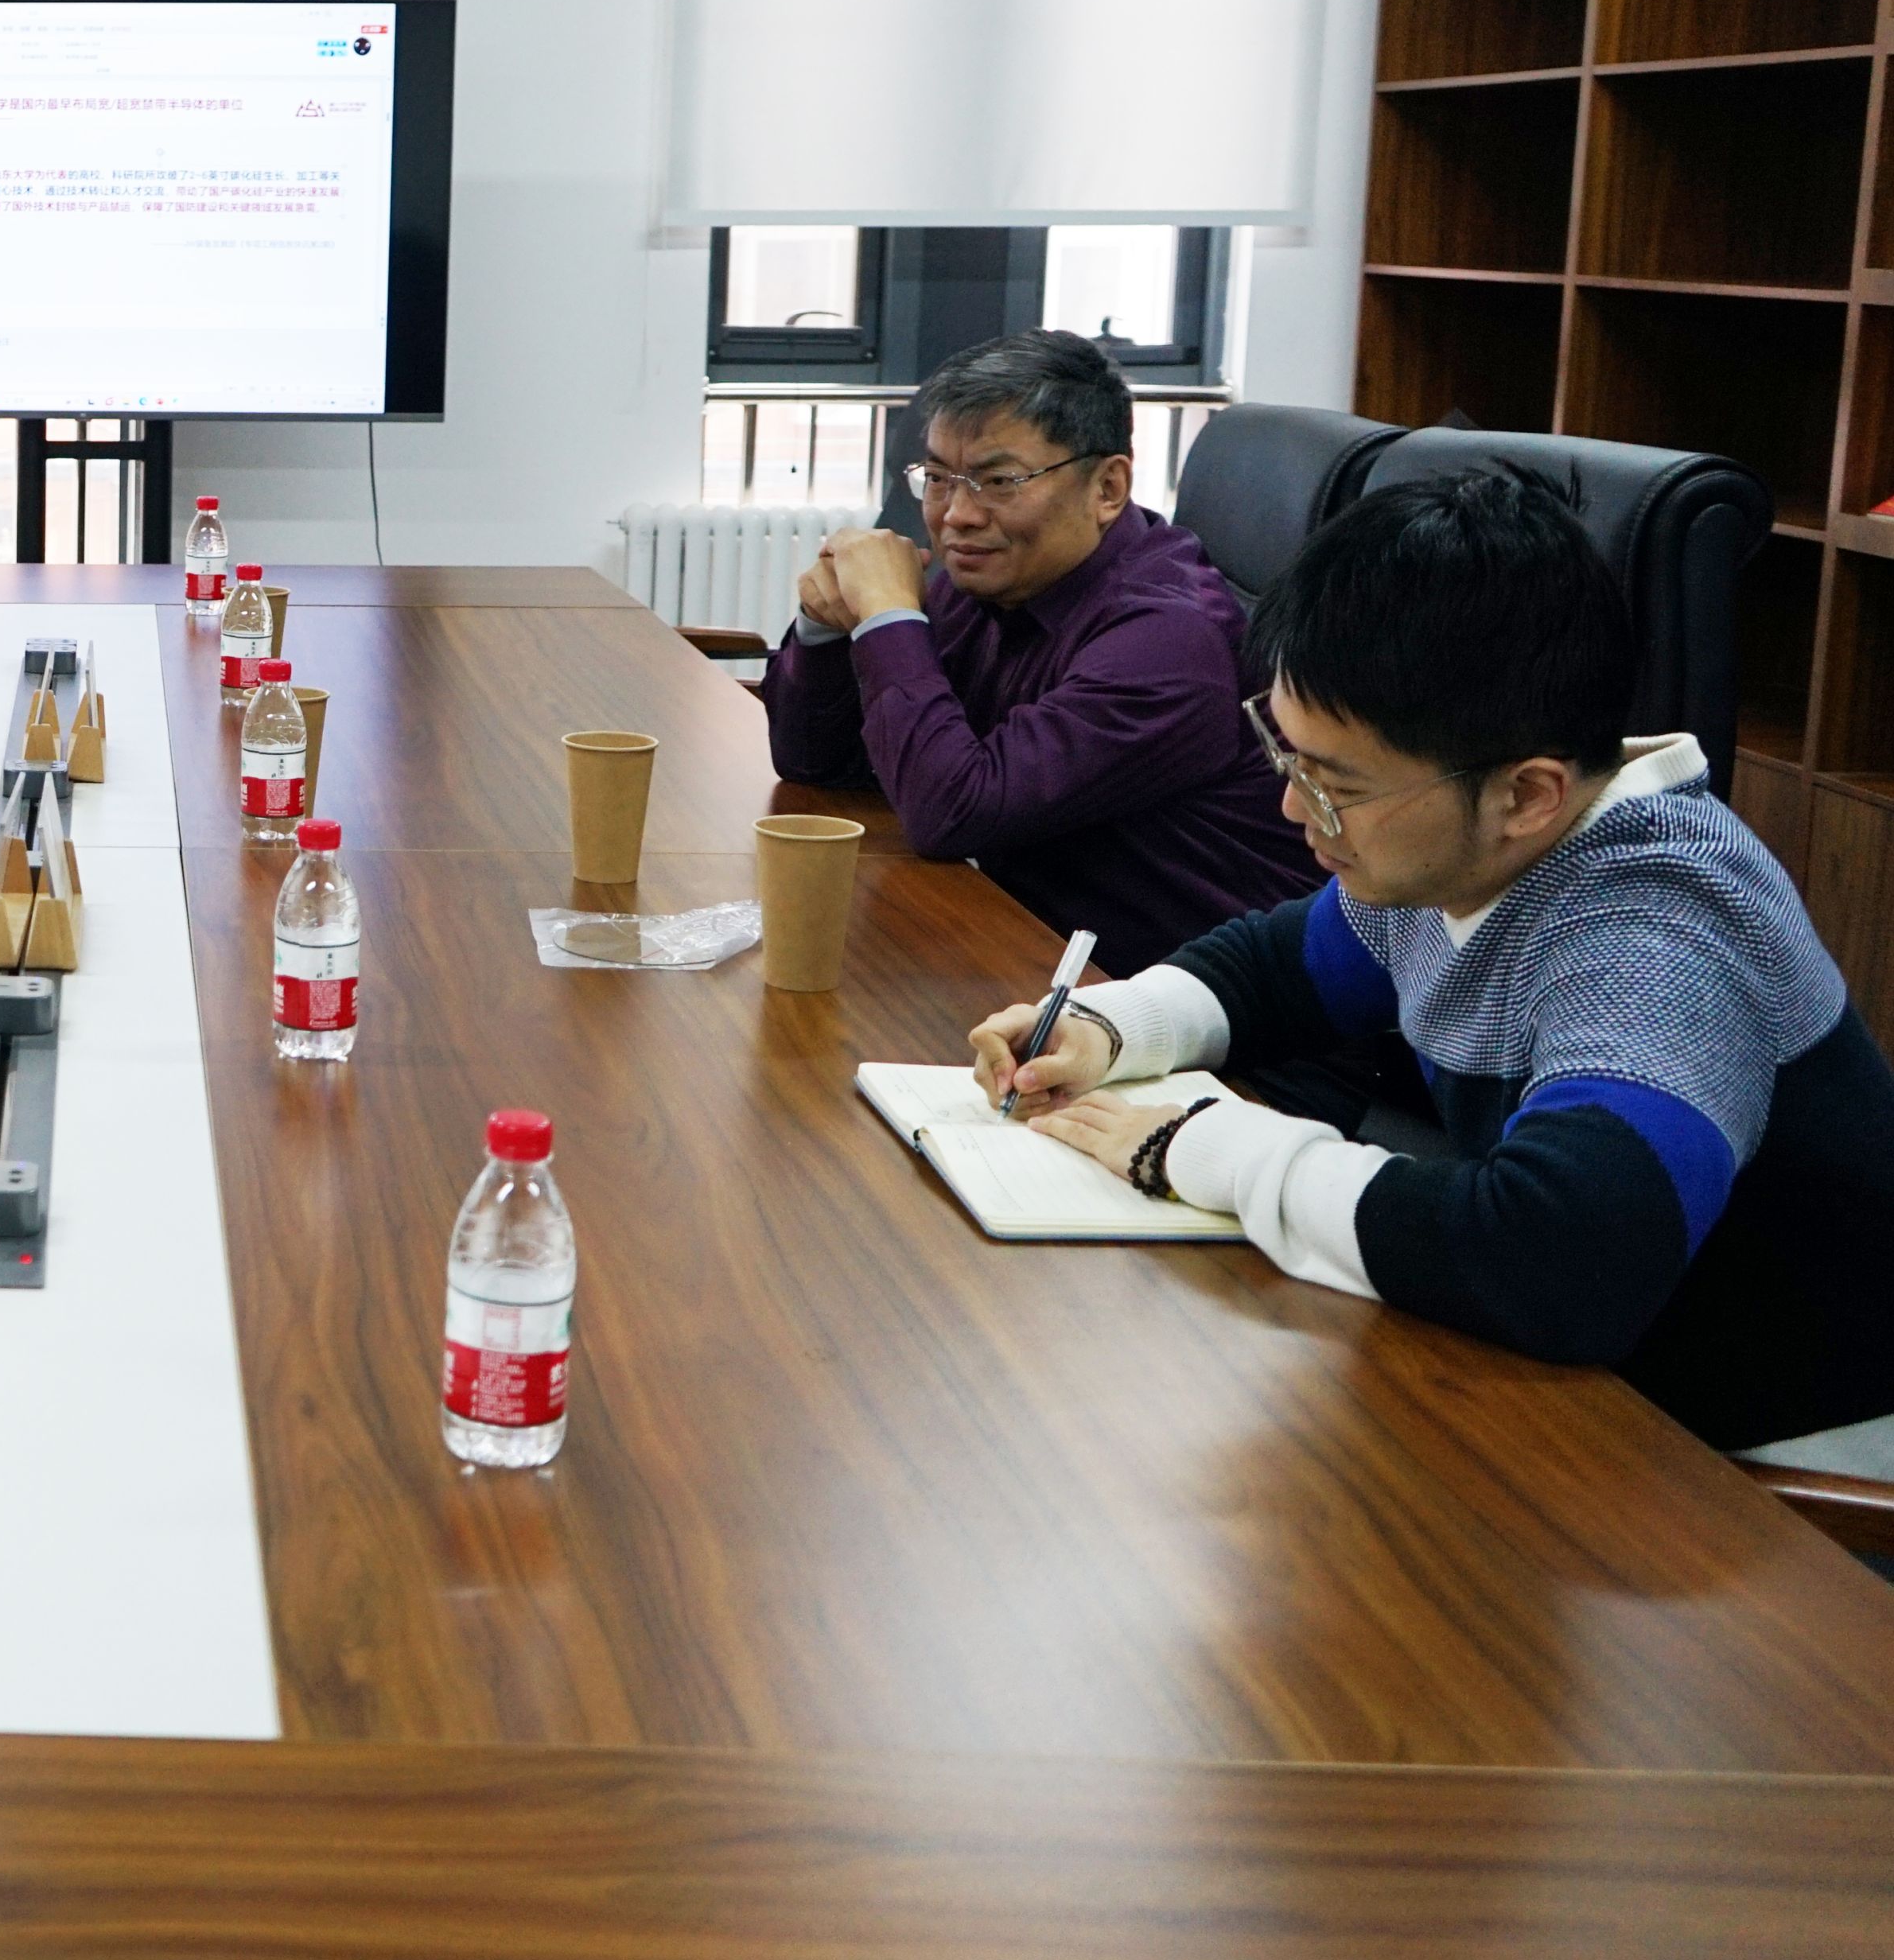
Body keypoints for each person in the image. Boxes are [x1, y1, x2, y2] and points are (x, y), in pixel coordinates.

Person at [974, 471, 1894, 1456]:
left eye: (1333, 786)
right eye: (1289, 758)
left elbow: (1559, 1264)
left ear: (1525, 794)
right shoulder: (1468, 851)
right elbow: (1277, 968)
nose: (1291, 808)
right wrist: (1109, 1029)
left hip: (1766, 1456)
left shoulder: (1658, 935)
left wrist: (1196, 1148)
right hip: (1589, 1384)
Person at [765, 329, 1316, 977]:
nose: (957, 515)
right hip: (1026, 944)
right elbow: (816, 762)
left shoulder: (1169, 642)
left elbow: (953, 811)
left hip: (1182, 1000)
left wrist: (889, 615)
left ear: (1107, 488)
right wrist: (826, 626)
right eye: (939, 478)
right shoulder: (993, 577)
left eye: (999, 480)